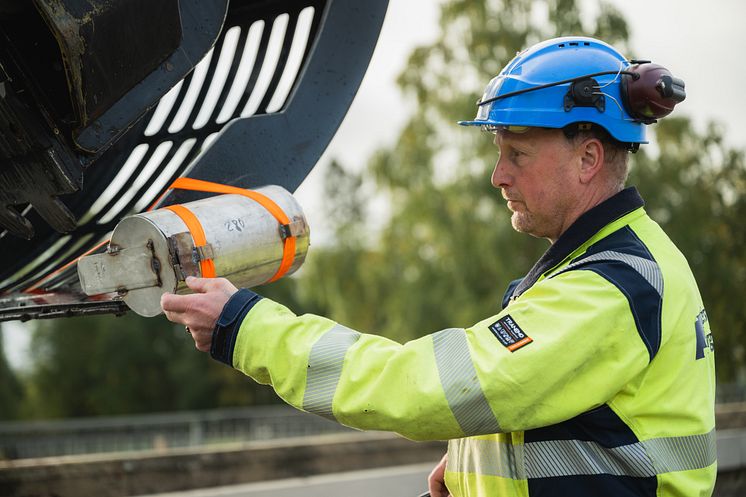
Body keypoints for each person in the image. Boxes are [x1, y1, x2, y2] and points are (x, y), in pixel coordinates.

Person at [161, 36, 716, 497]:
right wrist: (474, 470)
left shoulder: (612, 288)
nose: (498, 176)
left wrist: (245, 326)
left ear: (588, 158)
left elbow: (430, 388)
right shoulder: (611, 264)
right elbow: (554, 410)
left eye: (517, 154)